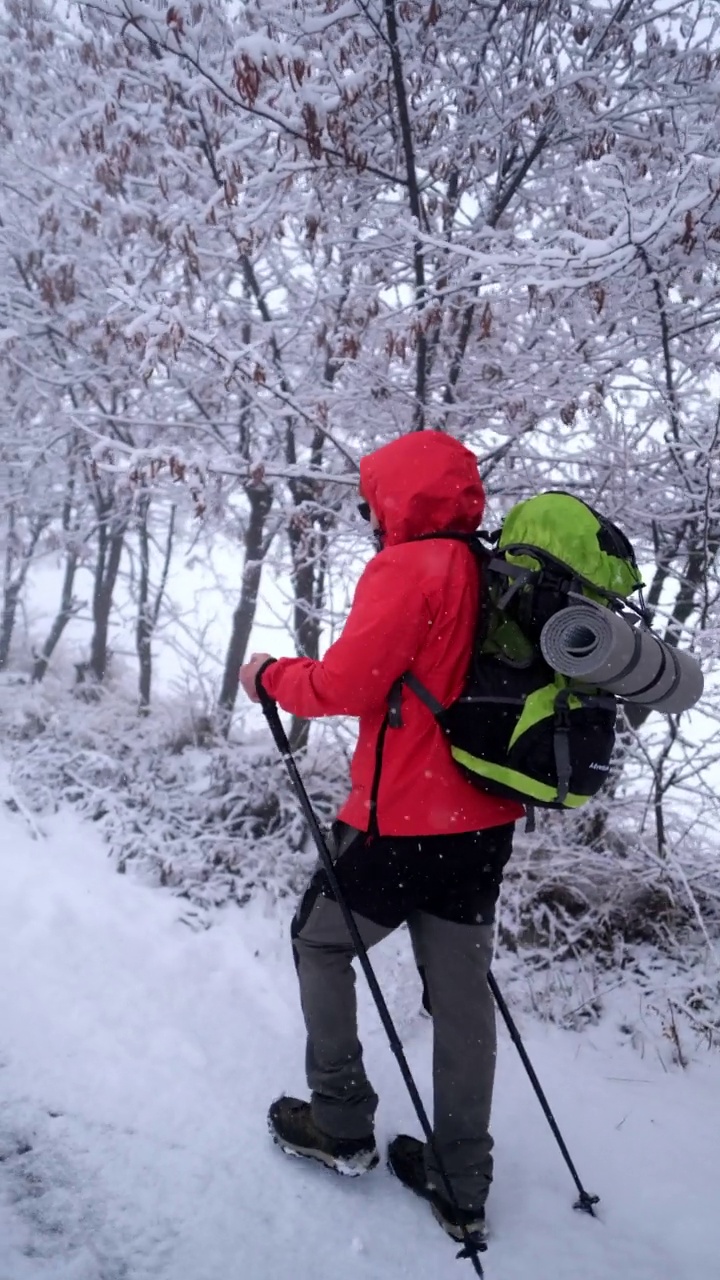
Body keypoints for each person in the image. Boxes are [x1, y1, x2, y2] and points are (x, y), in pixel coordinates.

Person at [239, 431, 523, 1245]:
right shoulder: (494, 570)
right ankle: (462, 1180)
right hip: (485, 825)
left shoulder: (408, 568)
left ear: (397, 500)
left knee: (320, 944)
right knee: (463, 995)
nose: (369, 516)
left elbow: (344, 684)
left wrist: (269, 676)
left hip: (400, 822)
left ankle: (342, 1124)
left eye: (374, 501)